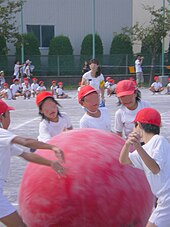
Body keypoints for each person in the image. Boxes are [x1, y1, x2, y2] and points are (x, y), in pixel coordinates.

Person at [0, 99, 65, 227]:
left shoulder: (4, 142)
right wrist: (52, 147)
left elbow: (26, 155)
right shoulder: (2, 134)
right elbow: (26, 142)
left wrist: (51, 163)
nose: (9, 118)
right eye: (8, 114)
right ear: (2, 116)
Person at [119, 107, 170, 227]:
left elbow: (155, 168)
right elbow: (123, 160)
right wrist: (127, 144)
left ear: (139, 125)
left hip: (167, 198)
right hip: (163, 199)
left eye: (135, 125)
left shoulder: (159, 141)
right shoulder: (147, 148)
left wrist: (138, 146)